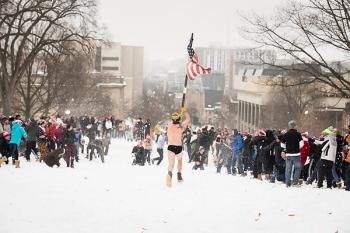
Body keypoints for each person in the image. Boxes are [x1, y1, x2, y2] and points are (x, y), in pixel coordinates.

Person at [166, 107, 191, 187]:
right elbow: (188, 119)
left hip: (171, 146)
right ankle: (179, 175)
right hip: (178, 146)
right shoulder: (181, 126)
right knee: (179, 161)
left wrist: (179, 116)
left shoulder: (169, 125)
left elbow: (175, 120)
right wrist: (185, 112)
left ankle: (169, 174)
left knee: (171, 164)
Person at [281, 120, 303, 187]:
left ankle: (287, 183)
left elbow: (282, 144)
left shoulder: (286, 134)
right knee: (298, 168)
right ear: (295, 126)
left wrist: (287, 148)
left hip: (288, 154)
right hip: (296, 154)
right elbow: (302, 144)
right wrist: (297, 148)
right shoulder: (298, 134)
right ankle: (295, 182)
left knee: (288, 169)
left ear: (289, 126)